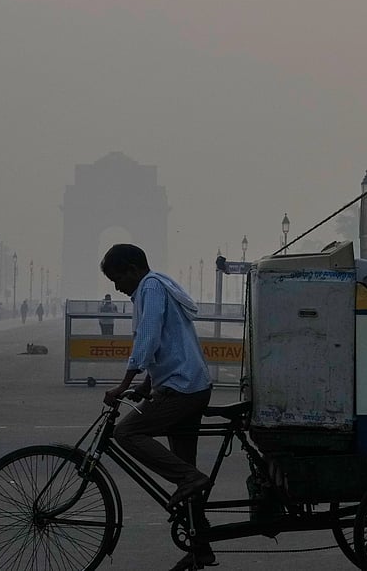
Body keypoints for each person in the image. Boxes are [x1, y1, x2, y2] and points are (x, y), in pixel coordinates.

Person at [99, 243, 215, 571]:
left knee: (127, 432)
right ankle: (201, 548)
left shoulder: (150, 287)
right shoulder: (158, 284)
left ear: (134, 269)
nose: (117, 287)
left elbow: (148, 339)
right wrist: (145, 386)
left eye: (117, 277)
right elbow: (169, 344)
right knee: (183, 467)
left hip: (182, 390)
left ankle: (191, 479)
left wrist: (122, 385)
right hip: (190, 385)